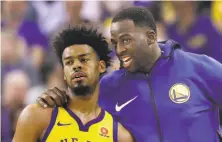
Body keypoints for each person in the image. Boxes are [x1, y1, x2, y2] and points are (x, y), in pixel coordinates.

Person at [36, 7, 222, 142]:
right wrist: (56, 98)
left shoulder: (198, 67)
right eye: (115, 42)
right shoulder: (109, 86)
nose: (119, 49)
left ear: (151, 37)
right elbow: (75, 108)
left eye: (126, 40)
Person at [13, 25, 134, 142]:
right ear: (64, 74)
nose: (76, 66)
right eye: (69, 62)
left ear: (101, 66)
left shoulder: (119, 134)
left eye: (84, 60)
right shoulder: (36, 116)